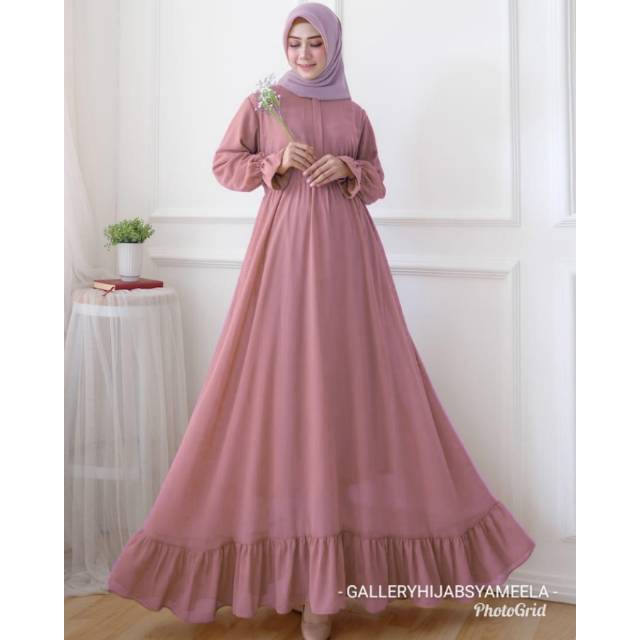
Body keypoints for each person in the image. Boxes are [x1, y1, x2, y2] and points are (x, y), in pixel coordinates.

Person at [107, 4, 535, 639]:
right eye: (295, 42)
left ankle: (325, 590)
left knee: (344, 397)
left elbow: (377, 180)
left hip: (349, 263)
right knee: (283, 397)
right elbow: (225, 164)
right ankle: (290, 577)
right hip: (282, 261)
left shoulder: (353, 113)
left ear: (333, 47)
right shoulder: (264, 103)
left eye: (315, 43)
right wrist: (273, 163)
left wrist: (350, 170)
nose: (304, 54)